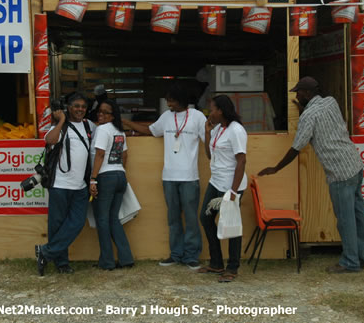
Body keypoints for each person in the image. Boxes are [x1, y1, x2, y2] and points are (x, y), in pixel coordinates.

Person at [259, 76, 364, 273]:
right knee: (358, 214)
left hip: (339, 173)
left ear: (307, 93)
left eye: (299, 92)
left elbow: (296, 147)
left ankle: (350, 262)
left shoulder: (309, 116)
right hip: (355, 165)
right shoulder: (330, 102)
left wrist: (276, 168)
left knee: (345, 220)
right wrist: (303, 110)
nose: (297, 95)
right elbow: (319, 120)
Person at [123, 83, 206, 270]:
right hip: (169, 176)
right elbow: (150, 130)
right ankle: (176, 254)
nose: (168, 104)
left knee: (191, 218)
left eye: (171, 101)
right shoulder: (167, 117)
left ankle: (192, 256)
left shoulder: (198, 116)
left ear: (182, 101)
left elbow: (208, 139)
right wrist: (127, 123)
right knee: (173, 218)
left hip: (190, 177)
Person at [35, 93, 95, 275]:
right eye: (76, 106)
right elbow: (49, 140)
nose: (80, 110)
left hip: (80, 186)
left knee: (76, 223)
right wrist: (61, 121)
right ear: (68, 107)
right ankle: (61, 263)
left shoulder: (88, 125)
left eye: (83, 107)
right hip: (60, 185)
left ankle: (45, 252)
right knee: (57, 225)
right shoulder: (60, 127)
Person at [198, 95, 247, 283]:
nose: (210, 113)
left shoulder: (236, 130)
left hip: (230, 185)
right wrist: (207, 133)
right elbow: (210, 156)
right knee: (206, 217)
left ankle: (232, 267)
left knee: (231, 224)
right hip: (216, 181)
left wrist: (234, 192)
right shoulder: (219, 128)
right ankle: (216, 262)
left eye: (213, 109)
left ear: (222, 111)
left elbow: (241, 160)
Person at [89, 99, 134, 270]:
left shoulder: (102, 130)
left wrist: (93, 178)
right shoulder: (119, 131)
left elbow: (100, 154)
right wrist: (119, 172)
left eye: (105, 112)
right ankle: (126, 258)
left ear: (112, 115)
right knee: (113, 219)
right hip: (120, 176)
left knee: (102, 219)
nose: (100, 115)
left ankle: (107, 261)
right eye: (99, 111)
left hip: (105, 177)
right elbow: (125, 156)